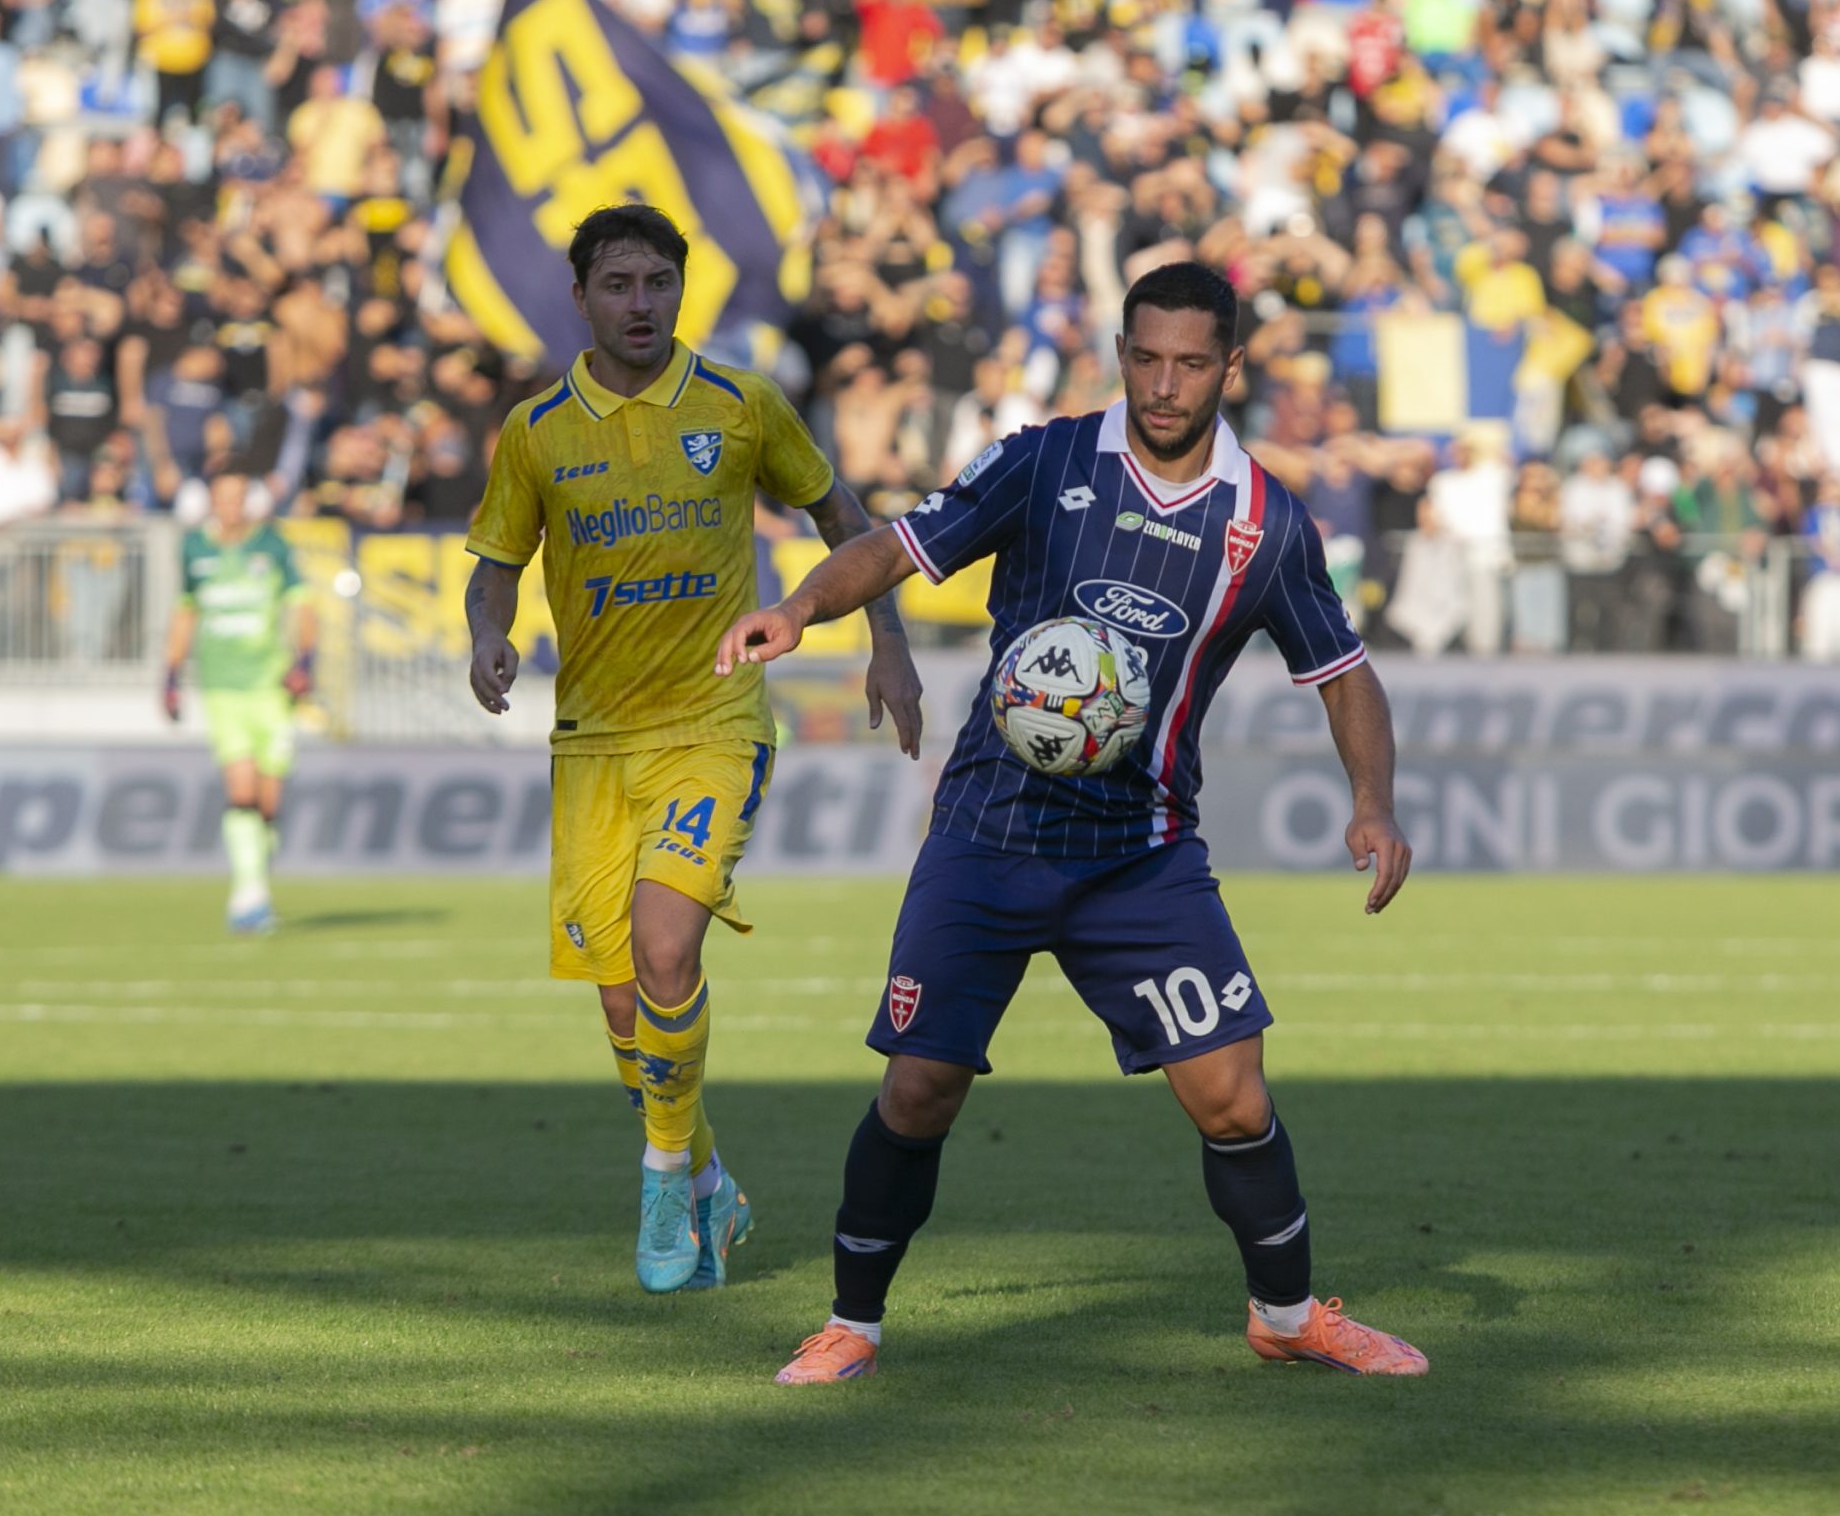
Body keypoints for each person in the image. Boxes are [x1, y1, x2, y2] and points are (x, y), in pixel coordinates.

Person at [716, 261, 1427, 1384]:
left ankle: (1287, 1317)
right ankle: (853, 1321)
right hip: (988, 834)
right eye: (1143, 357)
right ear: (1120, 352)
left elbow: (1341, 673)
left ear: (1229, 368)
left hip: (1139, 857)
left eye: (1190, 363)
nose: (1162, 384)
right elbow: (901, 545)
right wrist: (800, 606)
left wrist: (1373, 805)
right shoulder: (1045, 461)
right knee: (917, 1089)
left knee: (1234, 1100)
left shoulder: (1266, 523)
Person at [461, 203, 925, 1296]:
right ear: (580, 297)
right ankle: (713, 1176)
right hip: (591, 743)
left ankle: (664, 1179)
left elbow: (842, 515)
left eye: (657, 284)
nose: (639, 304)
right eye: (617, 284)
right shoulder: (537, 431)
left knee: (668, 950)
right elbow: (496, 559)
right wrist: (488, 634)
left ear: (681, 292)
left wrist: (887, 645)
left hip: (712, 724)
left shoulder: (742, 404)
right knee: (625, 1004)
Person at [160, 470, 316, 935]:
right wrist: (169, 675)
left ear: (248, 500)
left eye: (237, 496)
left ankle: (254, 883)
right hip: (222, 688)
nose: (230, 505)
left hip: (271, 689)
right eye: (221, 496)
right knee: (241, 792)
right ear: (211, 500)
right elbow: (186, 610)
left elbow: (301, 605)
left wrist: (304, 661)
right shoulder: (194, 549)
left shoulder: (272, 546)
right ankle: (248, 894)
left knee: (268, 805)